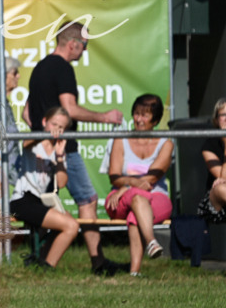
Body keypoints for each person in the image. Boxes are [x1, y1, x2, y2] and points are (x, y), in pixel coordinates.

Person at [25, 22, 127, 275]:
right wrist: (105, 117)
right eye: (84, 46)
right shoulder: (63, 68)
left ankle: (40, 258)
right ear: (72, 44)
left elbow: (27, 113)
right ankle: (98, 262)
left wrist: (43, 133)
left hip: (40, 148)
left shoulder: (39, 68)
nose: (84, 52)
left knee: (46, 204)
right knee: (87, 199)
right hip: (64, 149)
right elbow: (69, 109)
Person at [103, 94, 174, 275]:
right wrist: (129, 185)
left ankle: (134, 272)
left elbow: (152, 178)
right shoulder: (121, 139)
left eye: (145, 115)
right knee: (137, 197)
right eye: (136, 114)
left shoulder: (166, 144)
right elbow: (114, 176)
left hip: (156, 197)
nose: (138, 120)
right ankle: (151, 241)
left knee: (135, 214)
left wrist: (127, 185)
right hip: (119, 198)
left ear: (156, 120)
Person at [10, 107, 78, 269]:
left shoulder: (59, 150)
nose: (57, 130)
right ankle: (47, 266)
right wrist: (43, 135)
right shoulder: (34, 142)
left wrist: (60, 157)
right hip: (22, 200)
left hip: (41, 202)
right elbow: (26, 143)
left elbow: (61, 183)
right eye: (54, 124)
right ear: (44, 122)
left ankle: (40, 262)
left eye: (61, 127)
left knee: (70, 222)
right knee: (71, 226)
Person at [197, 97, 226, 224]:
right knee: (221, 188)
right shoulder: (209, 145)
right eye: (223, 115)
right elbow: (223, 178)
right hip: (216, 204)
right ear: (216, 120)